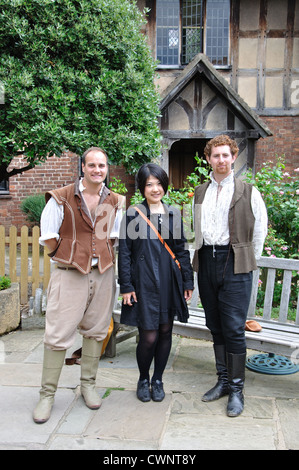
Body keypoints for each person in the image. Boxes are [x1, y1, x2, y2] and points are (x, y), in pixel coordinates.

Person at [33, 147, 123, 424]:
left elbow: (113, 237)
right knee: (58, 333)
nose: (98, 170)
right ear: (83, 167)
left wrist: (101, 260)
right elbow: (48, 237)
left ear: (107, 169)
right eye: (92, 165)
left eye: (102, 166)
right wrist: (69, 257)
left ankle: (88, 385)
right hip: (69, 274)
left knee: (96, 331)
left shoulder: (115, 200)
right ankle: (47, 395)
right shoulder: (61, 198)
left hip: (103, 273)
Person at [192, 135, 267, 417]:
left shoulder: (249, 191)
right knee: (215, 324)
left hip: (235, 263)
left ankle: (237, 390)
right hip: (207, 261)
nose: (221, 160)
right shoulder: (200, 192)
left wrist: (246, 259)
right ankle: (223, 382)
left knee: (234, 327)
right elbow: (197, 229)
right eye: (215, 156)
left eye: (226, 155)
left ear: (233, 157)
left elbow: (259, 231)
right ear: (208, 159)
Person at [118, 163, 194, 402]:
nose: (155, 188)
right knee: (148, 335)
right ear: (142, 187)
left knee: (165, 332)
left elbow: (181, 251)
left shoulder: (173, 214)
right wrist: (127, 286)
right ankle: (143, 378)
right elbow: (125, 253)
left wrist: (187, 282)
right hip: (144, 283)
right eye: (149, 184)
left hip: (169, 282)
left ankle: (158, 379)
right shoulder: (133, 214)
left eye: (159, 183)